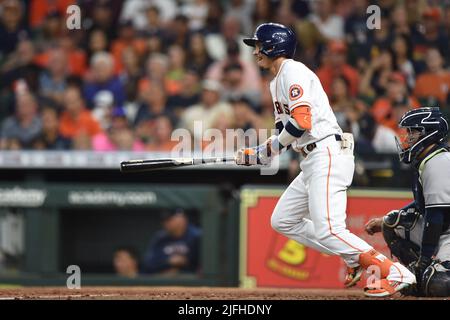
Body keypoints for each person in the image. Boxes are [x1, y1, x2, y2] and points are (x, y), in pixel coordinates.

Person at [237, 22, 415, 297]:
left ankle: (393, 271)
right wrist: (260, 151)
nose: (255, 51)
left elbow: (302, 122)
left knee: (329, 229)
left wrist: (267, 150)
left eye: (258, 46)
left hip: (325, 152)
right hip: (312, 157)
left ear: (274, 46)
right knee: (284, 220)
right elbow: (286, 131)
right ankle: (354, 257)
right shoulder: (277, 81)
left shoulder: (292, 70)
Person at [365, 107, 450, 297]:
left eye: (413, 131)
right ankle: (413, 276)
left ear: (429, 133)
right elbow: (425, 207)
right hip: (445, 230)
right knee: (392, 221)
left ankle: (423, 276)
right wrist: (385, 221)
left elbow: (435, 217)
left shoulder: (439, 161)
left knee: (437, 283)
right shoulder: (428, 159)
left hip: (447, 233)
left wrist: (425, 260)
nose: (408, 137)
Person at [142, 209, 201, 275]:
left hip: (192, 280)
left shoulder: (197, 236)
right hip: (164, 280)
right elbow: (148, 263)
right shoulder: (160, 238)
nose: (166, 223)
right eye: (164, 220)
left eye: (170, 219)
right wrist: (168, 261)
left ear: (182, 219)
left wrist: (185, 261)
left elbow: (205, 263)